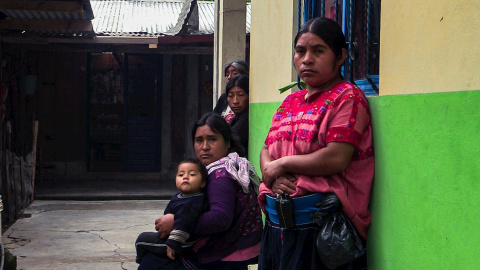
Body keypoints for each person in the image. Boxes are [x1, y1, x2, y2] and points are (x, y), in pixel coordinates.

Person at [257, 17, 374, 270]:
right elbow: (267, 148)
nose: (307, 59)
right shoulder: (290, 102)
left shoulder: (348, 97)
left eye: (318, 51)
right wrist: (271, 175)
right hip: (277, 230)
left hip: (321, 233)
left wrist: (282, 165)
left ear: (340, 56)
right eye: (300, 51)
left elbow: (336, 157)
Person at [138, 112, 263, 270]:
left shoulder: (221, 174)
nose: (205, 147)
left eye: (212, 139)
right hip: (233, 250)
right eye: (199, 140)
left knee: (150, 260)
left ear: (227, 142)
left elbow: (220, 218)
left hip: (222, 257)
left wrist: (176, 223)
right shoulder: (229, 165)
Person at [135, 158, 208, 263]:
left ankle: (142, 261)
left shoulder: (192, 203)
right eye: (181, 175)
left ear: (202, 183)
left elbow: (184, 224)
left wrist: (172, 245)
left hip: (181, 243)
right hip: (175, 237)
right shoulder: (182, 196)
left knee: (141, 240)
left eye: (192, 175)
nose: (185, 177)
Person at [226, 74, 250, 156]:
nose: (235, 101)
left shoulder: (247, 119)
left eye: (240, 95)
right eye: (231, 96)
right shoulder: (235, 120)